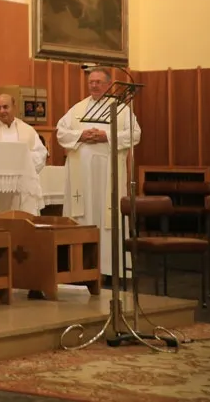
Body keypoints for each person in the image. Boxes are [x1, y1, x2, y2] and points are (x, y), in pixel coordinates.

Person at [56, 66, 141, 278]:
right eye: (91, 82)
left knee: (108, 214)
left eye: (98, 82)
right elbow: (61, 132)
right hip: (82, 176)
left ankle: (110, 269)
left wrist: (106, 136)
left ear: (109, 85)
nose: (93, 85)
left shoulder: (121, 109)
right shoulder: (77, 109)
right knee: (83, 214)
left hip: (108, 174)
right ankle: (80, 268)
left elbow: (135, 134)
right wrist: (82, 135)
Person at [0, 94, 48, 222]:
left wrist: (23, 160)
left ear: (14, 107)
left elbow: (41, 154)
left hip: (23, 186)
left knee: (24, 221)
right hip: (0, 189)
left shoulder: (28, 131)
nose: (2, 111)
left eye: (5, 107)